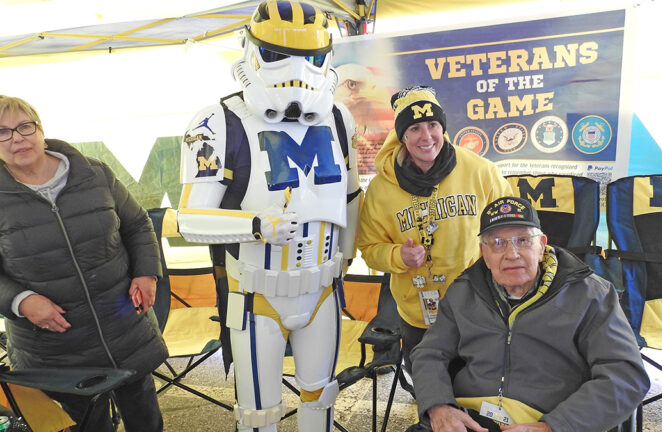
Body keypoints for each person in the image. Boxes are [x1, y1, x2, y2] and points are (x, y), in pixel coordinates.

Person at [175, 1, 360, 431]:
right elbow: (189, 219)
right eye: (278, 55)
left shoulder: (338, 117)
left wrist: (346, 257)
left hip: (322, 290)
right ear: (250, 50)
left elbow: (350, 196)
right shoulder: (216, 121)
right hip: (256, 295)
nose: (297, 70)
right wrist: (256, 226)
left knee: (321, 398)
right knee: (258, 413)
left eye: (312, 58)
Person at [0, 95, 168, 432]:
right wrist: (21, 301)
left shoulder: (93, 173)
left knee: (145, 421)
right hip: (55, 349)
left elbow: (137, 224)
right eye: (2, 132)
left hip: (125, 331)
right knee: (87, 426)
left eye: (24, 127)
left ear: (40, 129)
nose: (16, 138)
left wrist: (147, 273)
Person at [410, 196, 650, 432]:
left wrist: (553, 426)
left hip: (550, 418)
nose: (512, 253)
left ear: (542, 244)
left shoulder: (591, 295)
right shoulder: (463, 290)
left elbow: (625, 375)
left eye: (523, 240)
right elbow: (430, 352)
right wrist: (439, 406)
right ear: (483, 251)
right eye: (497, 243)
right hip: (468, 417)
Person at [356, 85, 512, 373]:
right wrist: (397, 257)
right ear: (401, 136)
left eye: (433, 125)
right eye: (415, 128)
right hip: (418, 313)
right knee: (429, 388)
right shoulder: (380, 190)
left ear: (443, 128)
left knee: (477, 385)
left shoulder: (481, 171)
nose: (426, 137)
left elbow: (509, 227)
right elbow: (368, 249)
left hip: (476, 307)